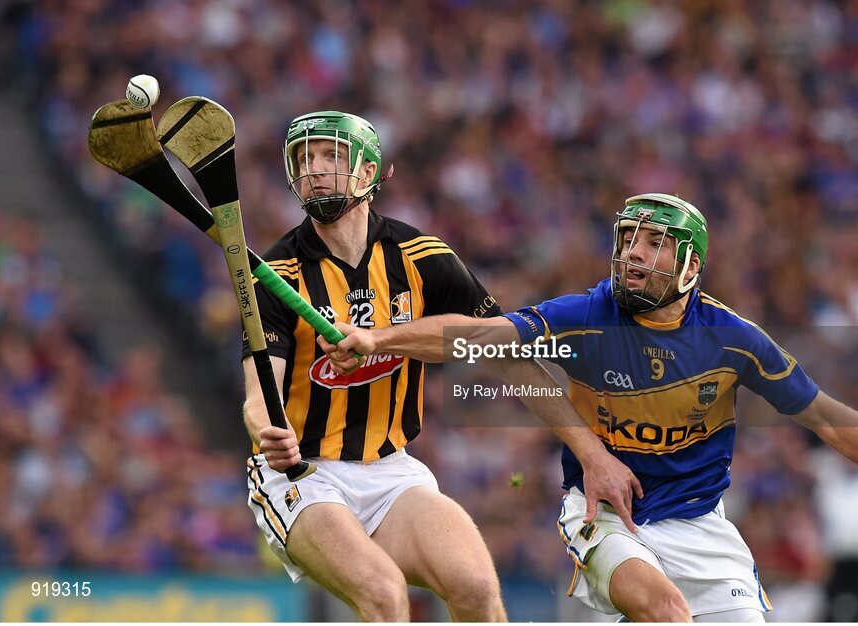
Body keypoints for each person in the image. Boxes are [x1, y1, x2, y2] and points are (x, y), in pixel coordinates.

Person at [321, 192, 858, 622]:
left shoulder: (732, 338)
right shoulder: (588, 313)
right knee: (669, 615)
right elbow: (477, 335)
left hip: (704, 528)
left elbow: (825, 416)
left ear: (692, 266)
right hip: (610, 519)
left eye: (654, 243)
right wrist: (381, 338)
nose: (633, 255)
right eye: (627, 239)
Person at [242, 110, 641, 622]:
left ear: (369, 174)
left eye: (332, 156)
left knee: (475, 587)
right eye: (305, 159)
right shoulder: (278, 275)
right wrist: (267, 431)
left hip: (390, 470)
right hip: (303, 476)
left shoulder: (423, 258)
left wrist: (592, 454)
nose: (315, 168)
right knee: (385, 594)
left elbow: (507, 358)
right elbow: (258, 396)